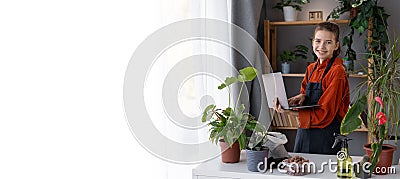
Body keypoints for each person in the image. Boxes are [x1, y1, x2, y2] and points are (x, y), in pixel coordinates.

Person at [274, 22, 350, 155]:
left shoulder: (337, 71)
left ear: (336, 45)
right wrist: (302, 97)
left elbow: (325, 113)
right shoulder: (311, 68)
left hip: (326, 136)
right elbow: (306, 93)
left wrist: (290, 113)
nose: (321, 46)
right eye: (318, 41)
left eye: (328, 42)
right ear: (312, 42)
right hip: (304, 132)